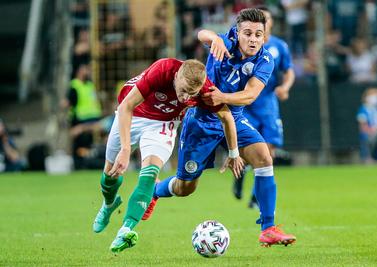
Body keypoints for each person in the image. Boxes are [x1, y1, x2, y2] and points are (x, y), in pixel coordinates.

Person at [146, 8, 296, 247]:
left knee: (264, 158)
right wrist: (213, 38)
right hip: (201, 123)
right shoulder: (226, 41)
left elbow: (249, 96)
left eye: (259, 34)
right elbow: (201, 34)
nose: (253, 39)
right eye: (248, 33)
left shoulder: (266, 59)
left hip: (233, 117)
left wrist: (222, 96)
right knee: (185, 187)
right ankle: (155, 191)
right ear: (238, 33)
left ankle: (268, 228)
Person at [92, 58, 243, 253]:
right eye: (184, 89)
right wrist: (126, 149)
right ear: (177, 75)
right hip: (133, 115)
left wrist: (233, 152)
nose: (185, 97)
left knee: (148, 176)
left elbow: (227, 117)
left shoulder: (204, 89)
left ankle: (125, 230)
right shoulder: (162, 70)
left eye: (192, 94)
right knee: (110, 175)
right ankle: (109, 204)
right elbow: (125, 107)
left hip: (163, 125)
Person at [229, 6, 296, 208]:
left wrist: (285, 87)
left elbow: (289, 71)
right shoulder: (240, 45)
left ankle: (255, 196)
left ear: (270, 23)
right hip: (245, 104)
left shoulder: (279, 46)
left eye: (265, 19)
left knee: (269, 150)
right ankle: (241, 174)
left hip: (267, 104)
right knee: (249, 151)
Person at [61, 63, 102, 169]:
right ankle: (79, 165)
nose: (88, 71)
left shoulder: (89, 85)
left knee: (90, 146)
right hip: (79, 120)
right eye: (86, 69)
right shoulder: (75, 85)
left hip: (92, 119)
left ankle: (88, 163)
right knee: (79, 145)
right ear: (79, 71)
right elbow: (69, 102)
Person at [357, 87, 377, 163]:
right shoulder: (363, 108)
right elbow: (362, 125)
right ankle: (367, 158)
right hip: (370, 133)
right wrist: (372, 131)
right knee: (370, 137)